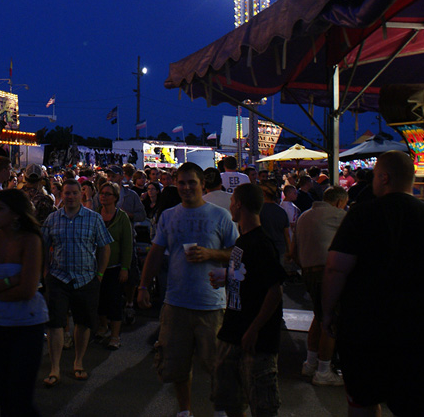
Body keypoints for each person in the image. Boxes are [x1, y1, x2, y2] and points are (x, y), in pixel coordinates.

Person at [322, 151, 424, 417]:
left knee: (364, 401)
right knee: (418, 408)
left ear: (384, 177)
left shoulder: (361, 216)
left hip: (368, 328)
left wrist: (327, 312)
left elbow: (336, 269)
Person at [137, 162, 239, 417]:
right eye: (181, 182)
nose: (185, 187)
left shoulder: (220, 215)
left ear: (202, 184)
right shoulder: (169, 215)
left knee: (217, 364)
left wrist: (210, 253)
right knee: (176, 365)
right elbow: (156, 252)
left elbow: (237, 253)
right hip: (176, 303)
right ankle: (185, 412)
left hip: (212, 304)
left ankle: (221, 410)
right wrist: (142, 286)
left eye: (191, 182)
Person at [0, 189, 49, 417]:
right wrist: (10, 280)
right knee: (3, 393)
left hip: (26, 324)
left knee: (20, 396)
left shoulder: (30, 240)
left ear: (15, 214)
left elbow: (27, 290)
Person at [211, 183, 287, 417]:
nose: (230, 206)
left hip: (256, 340)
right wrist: (227, 277)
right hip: (233, 332)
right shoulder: (243, 241)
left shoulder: (261, 244)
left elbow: (275, 290)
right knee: (230, 401)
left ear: (239, 204)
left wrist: (254, 329)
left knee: (262, 404)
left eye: (232, 201)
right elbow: (251, 276)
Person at [41, 179, 113, 387]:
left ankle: (78, 362)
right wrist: (45, 271)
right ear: (62, 195)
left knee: (83, 323)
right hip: (58, 277)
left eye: (74, 193)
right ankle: (55, 367)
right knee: (55, 324)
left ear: (81, 195)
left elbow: (104, 247)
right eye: (67, 193)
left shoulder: (93, 219)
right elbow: (44, 246)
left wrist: (99, 275)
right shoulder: (53, 219)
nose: (70, 196)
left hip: (86, 279)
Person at [291, 185, 348, 386]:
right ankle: (324, 371)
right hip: (328, 272)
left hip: (308, 271)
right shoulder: (339, 216)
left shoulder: (304, 216)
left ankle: (310, 363)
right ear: (340, 202)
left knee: (319, 316)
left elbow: (294, 249)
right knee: (330, 320)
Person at [95, 181, 132, 350]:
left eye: (107, 194)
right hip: (96, 267)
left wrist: (125, 267)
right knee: (100, 300)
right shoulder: (95, 215)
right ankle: (103, 326)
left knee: (115, 301)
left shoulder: (122, 217)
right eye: (102, 193)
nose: (103, 196)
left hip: (115, 266)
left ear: (115, 198)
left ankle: (115, 335)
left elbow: (127, 244)